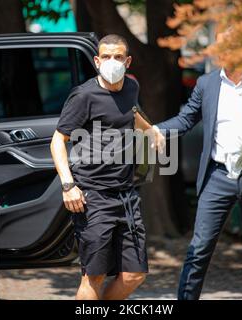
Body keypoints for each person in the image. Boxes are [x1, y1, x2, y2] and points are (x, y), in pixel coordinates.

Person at [152, 29, 242, 300]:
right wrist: (158, 130)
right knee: (198, 249)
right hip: (217, 176)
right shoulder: (206, 83)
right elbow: (185, 119)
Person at [50, 34, 160, 300]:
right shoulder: (84, 95)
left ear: (128, 61)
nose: (113, 62)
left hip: (126, 195)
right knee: (94, 276)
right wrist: (68, 185)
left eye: (119, 57)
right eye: (107, 57)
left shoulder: (131, 89)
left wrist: (152, 130)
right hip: (93, 197)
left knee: (135, 274)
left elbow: (129, 114)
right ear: (97, 61)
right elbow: (57, 141)